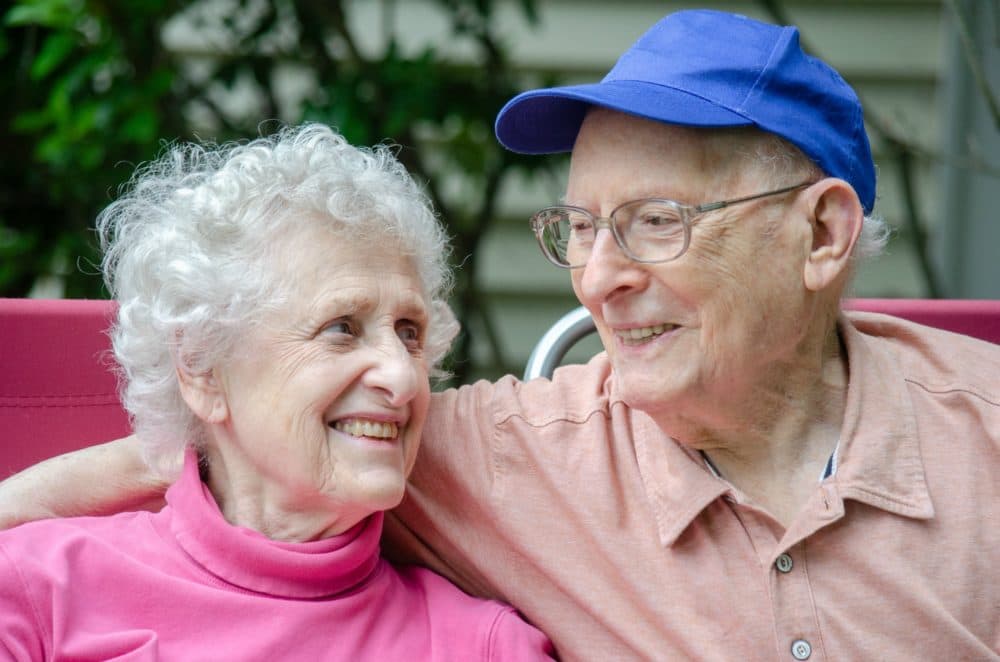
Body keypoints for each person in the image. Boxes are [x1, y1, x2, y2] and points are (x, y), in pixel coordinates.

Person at [2, 9, 998, 660]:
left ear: (820, 233)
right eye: (580, 227)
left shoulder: (982, 437)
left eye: (656, 220)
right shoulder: (481, 449)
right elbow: (250, 452)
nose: (601, 277)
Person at [0, 124, 553, 659]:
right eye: (341, 327)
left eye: (409, 332)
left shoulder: (482, 646)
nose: (404, 377)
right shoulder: (41, 589)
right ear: (202, 369)